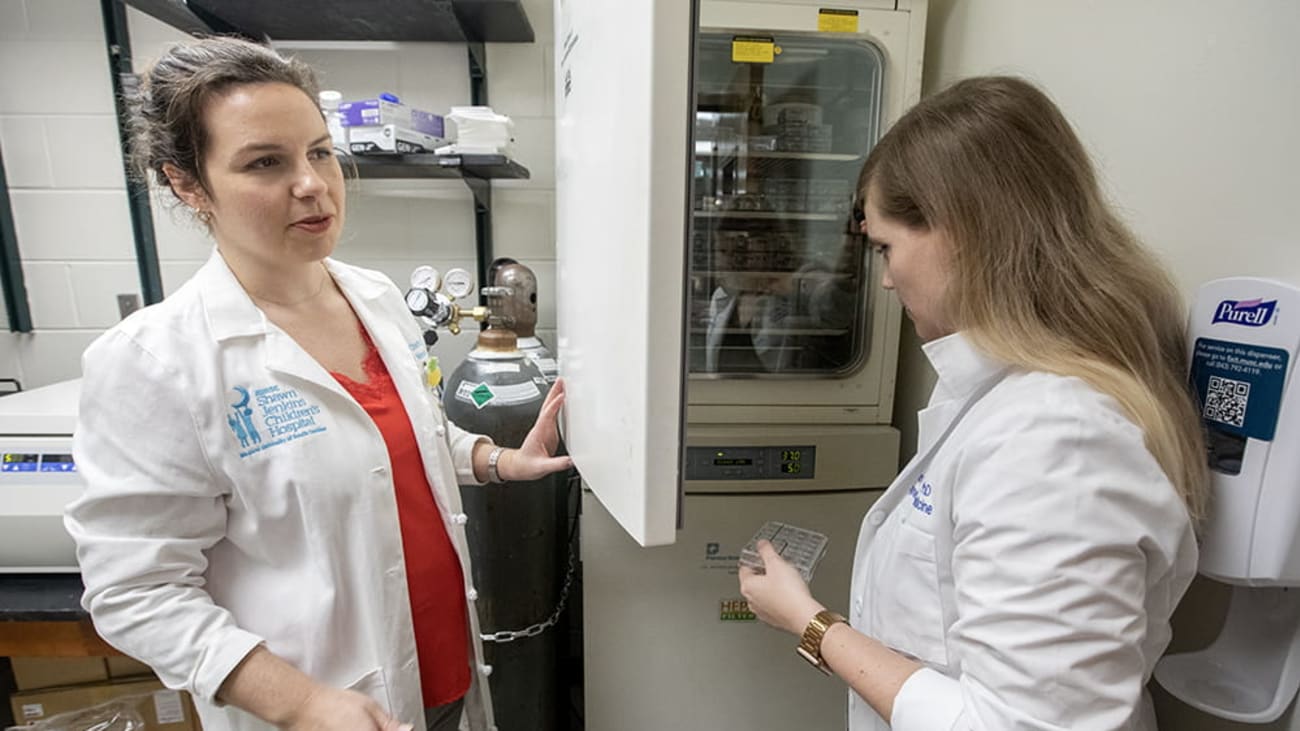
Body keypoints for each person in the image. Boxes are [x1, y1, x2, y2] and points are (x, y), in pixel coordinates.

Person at [63, 37, 572, 731]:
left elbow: (401, 435)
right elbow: (137, 590)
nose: (312, 183)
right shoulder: (154, 359)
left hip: (446, 679)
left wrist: (499, 460)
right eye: (265, 162)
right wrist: (298, 701)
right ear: (186, 182)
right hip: (321, 709)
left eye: (320, 151)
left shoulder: (375, 296)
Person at [738, 75, 1210, 730]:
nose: (885, 276)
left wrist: (812, 623)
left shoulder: (1061, 438)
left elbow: (1016, 723)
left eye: (886, 246)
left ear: (957, 231)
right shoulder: (1004, 390)